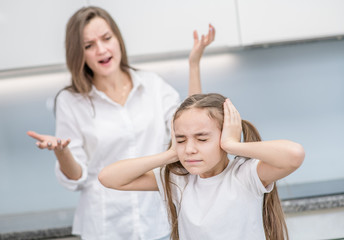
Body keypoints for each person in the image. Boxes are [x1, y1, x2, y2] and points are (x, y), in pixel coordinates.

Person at [27, 6, 215, 240]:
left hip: (157, 221)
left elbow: (191, 125)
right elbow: (77, 177)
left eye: (106, 38)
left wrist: (194, 65)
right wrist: (62, 152)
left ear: (118, 39)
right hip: (105, 228)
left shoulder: (152, 85)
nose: (102, 49)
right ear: (79, 54)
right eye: (89, 45)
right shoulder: (70, 101)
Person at [99, 93, 305, 240]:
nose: (189, 149)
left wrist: (233, 145)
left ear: (223, 137)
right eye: (181, 140)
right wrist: (170, 153)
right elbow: (108, 178)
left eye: (202, 139)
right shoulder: (177, 180)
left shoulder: (245, 176)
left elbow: (294, 155)